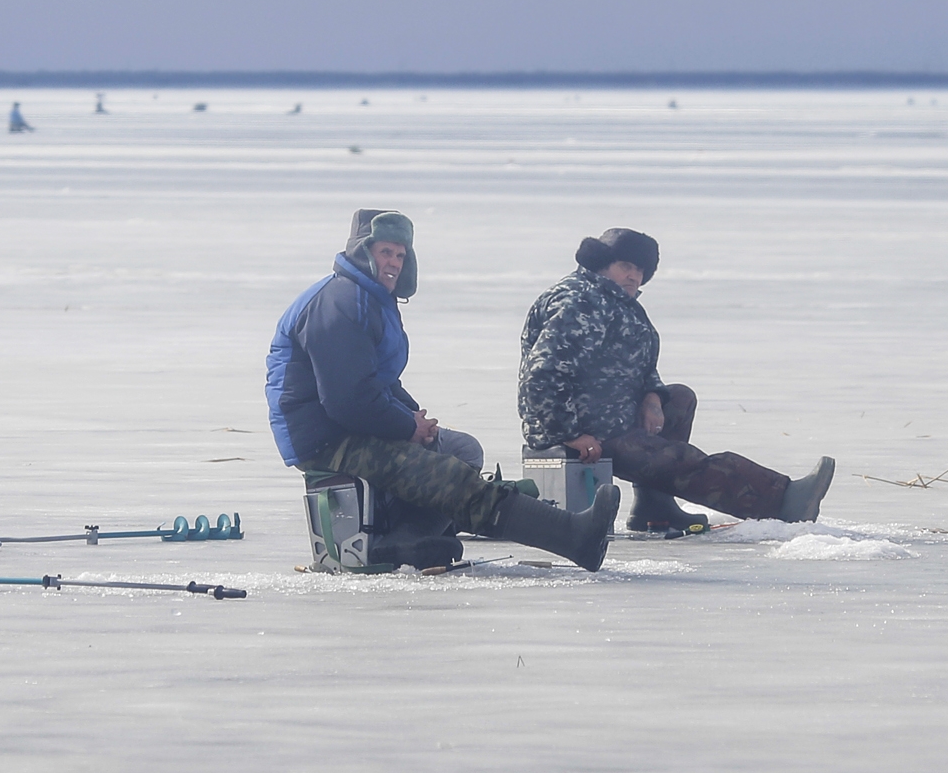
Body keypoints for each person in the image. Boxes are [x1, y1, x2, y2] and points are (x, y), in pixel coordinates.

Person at [267, 209, 616, 571]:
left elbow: (378, 381)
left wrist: (415, 419)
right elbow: (346, 400)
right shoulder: (340, 302)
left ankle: (404, 541)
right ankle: (574, 537)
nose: (394, 263)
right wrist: (406, 427)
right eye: (385, 252)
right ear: (362, 252)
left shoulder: (370, 299)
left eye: (401, 255)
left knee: (461, 448)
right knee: (447, 477)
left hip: (353, 426)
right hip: (325, 439)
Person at [518, 228, 834, 531]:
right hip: (583, 430)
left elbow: (636, 363)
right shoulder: (579, 303)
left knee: (678, 399)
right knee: (679, 461)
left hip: (608, 416)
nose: (633, 276)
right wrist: (569, 433)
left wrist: (652, 397)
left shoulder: (616, 302)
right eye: (625, 266)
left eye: (640, 269)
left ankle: (654, 508)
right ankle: (781, 500)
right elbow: (543, 372)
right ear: (600, 265)